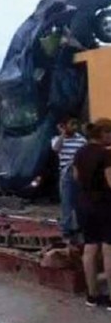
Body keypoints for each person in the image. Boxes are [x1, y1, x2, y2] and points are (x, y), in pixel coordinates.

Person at [73, 119, 111, 309]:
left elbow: (75, 177)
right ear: (103, 133)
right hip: (104, 205)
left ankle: (92, 295)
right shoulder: (105, 154)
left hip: (84, 204)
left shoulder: (80, 152)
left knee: (90, 248)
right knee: (108, 249)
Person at [51, 116, 86, 241]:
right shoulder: (57, 139)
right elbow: (56, 148)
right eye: (71, 124)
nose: (74, 127)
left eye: (75, 124)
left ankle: (80, 226)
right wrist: (62, 134)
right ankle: (66, 229)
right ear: (64, 125)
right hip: (66, 174)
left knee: (80, 201)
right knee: (67, 202)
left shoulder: (81, 140)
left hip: (80, 173)